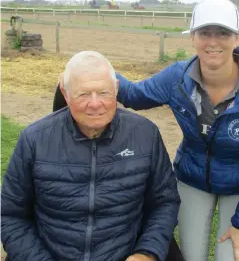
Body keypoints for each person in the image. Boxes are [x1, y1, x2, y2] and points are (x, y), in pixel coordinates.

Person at [113, 0, 239, 261]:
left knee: (230, 258)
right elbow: (134, 95)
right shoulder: (177, 78)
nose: (213, 41)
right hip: (192, 177)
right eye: (204, 32)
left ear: (236, 39)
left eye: (223, 33)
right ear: (192, 37)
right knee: (191, 257)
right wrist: (97, 72)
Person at [1, 51, 181, 261]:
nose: (95, 104)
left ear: (116, 89)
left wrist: (146, 253)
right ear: (65, 94)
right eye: (83, 94)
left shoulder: (145, 135)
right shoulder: (34, 140)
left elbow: (165, 202)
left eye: (104, 92)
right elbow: (10, 215)